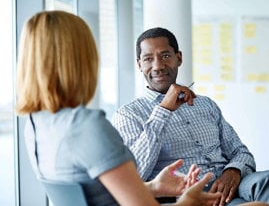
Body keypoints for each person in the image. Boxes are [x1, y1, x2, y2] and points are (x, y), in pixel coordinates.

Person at [16, 11, 222, 206]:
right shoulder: (88, 126)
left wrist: (154, 187)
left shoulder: (36, 125)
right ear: (81, 60)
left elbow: (95, 198)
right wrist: (188, 201)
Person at [112, 27, 269, 206]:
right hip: (188, 195)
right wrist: (163, 111)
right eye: (148, 59)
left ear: (178, 58)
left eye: (165, 56)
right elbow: (135, 174)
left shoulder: (205, 104)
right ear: (140, 64)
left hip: (230, 184)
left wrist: (233, 171)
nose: (158, 66)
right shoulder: (129, 114)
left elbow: (240, 152)